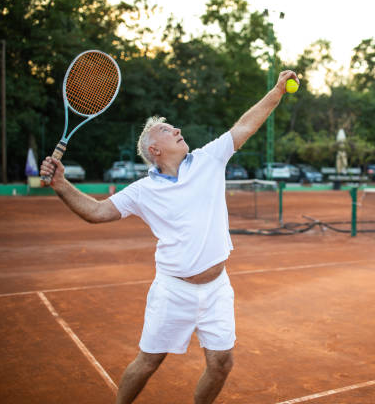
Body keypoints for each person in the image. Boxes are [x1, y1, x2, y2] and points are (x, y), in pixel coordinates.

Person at [40, 70, 299, 404]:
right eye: (167, 130)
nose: (177, 129)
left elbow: (246, 125)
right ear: (154, 149)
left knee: (221, 363)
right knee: (149, 362)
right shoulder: (142, 190)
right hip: (173, 291)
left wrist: (278, 89)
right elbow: (97, 212)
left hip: (217, 287)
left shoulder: (209, 158)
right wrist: (61, 184)